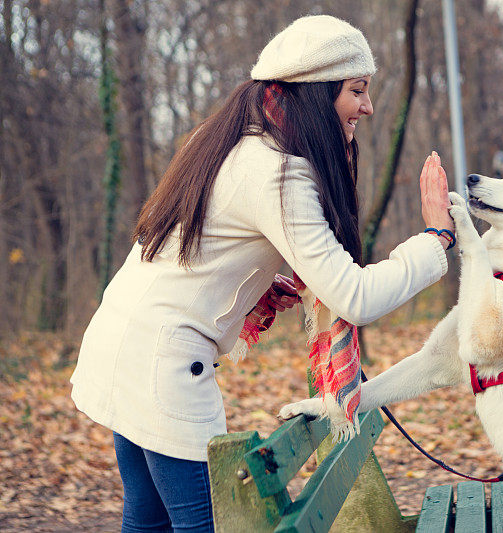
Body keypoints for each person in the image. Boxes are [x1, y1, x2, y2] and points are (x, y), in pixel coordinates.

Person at [69, 15, 454, 532]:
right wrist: (435, 241)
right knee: (197, 524)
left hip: (121, 341)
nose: (366, 105)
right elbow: (356, 297)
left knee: (147, 521)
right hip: (165, 364)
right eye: (357, 90)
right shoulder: (278, 172)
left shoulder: (228, 141)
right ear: (316, 93)